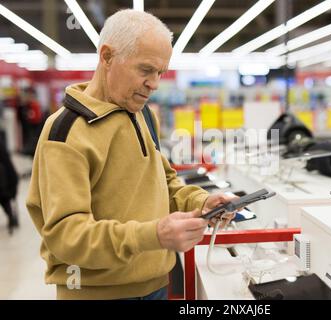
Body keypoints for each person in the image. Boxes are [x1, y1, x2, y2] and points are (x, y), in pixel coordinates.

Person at [26, 9, 235, 300]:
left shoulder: (141, 114)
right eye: (146, 70)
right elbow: (66, 236)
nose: (155, 83)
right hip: (96, 294)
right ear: (107, 57)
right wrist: (153, 235)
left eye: (160, 72)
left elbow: (164, 183)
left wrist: (202, 201)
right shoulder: (66, 132)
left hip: (156, 286)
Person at [0, 135, 19, 235]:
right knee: (5, 201)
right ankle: (11, 217)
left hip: (4, 182)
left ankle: (11, 218)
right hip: (5, 184)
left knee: (5, 201)